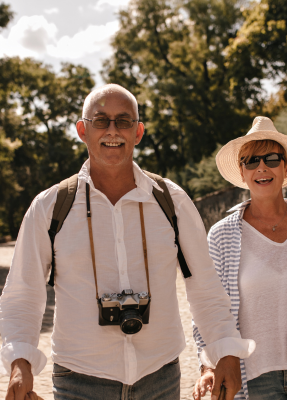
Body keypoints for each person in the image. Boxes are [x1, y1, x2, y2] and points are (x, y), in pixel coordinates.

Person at [0, 84, 255, 400]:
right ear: (82, 129)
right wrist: (19, 361)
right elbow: (24, 292)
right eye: (100, 120)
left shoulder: (172, 201)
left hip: (160, 378)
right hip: (78, 382)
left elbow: (204, 287)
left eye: (123, 121)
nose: (112, 130)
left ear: (138, 132)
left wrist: (226, 350)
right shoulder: (49, 206)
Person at [192, 117, 287, 400]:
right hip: (254, 375)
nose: (262, 167)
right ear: (242, 172)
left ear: (285, 166)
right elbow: (208, 307)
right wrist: (207, 366)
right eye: (251, 161)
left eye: (271, 158)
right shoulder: (222, 235)